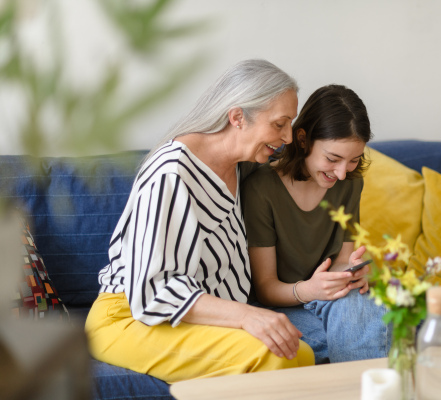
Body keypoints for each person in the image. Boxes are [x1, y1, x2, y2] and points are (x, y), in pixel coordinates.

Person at [85, 59, 315, 384]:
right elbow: (152, 290)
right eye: (279, 124)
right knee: (282, 357)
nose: (288, 136)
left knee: (298, 350)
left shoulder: (241, 163)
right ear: (237, 117)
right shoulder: (171, 173)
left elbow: (311, 162)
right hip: (133, 316)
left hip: (194, 316)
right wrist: (249, 316)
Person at [242, 84, 390, 363]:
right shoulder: (261, 188)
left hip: (333, 301)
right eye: (332, 159)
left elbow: (343, 259)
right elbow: (265, 287)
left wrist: (353, 272)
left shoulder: (350, 183)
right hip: (285, 303)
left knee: (362, 309)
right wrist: (310, 289)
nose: (342, 174)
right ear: (302, 139)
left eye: (353, 161)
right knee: (374, 326)